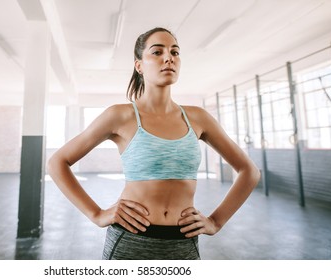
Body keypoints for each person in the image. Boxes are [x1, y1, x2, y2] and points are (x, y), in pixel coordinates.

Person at [47, 27, 260, 260]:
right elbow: (58, 162)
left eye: (175, 52)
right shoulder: (120, 116)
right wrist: (96, 214)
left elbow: (248, 171)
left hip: (184, 242)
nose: (169, 57)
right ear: (139, 65)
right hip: (130, 240)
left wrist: (216, 222)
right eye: (157, 52)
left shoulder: (198, 118)